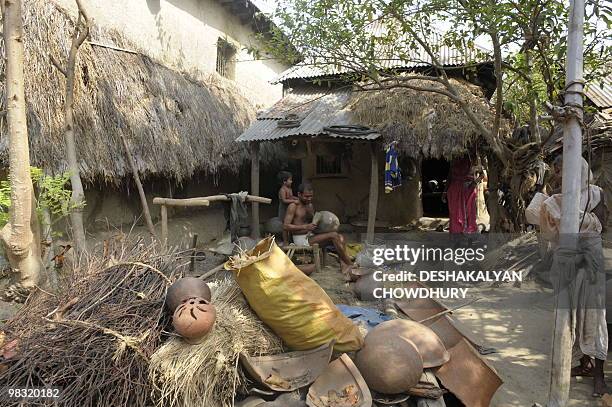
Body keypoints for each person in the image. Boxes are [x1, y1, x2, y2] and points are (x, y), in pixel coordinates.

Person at [540, 157, 608, 397]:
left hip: (590, 261)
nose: (558, 176)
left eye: (562, 171)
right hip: (567, 261)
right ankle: (580, 363)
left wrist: (575, 223)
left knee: (593, 315)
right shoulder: (556, 200)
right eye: (558, 171)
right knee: (567, 316)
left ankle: (599, 375)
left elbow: (602, 225)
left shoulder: (596, 194)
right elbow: (551, 234)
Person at [283, 183, 354, 278]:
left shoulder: (310, 206)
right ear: (299, 194)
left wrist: (319, 223)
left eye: (311, 196)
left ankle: (343, 265)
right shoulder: (293, 206)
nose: (309, 199)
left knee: (339, 236)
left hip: (311, 236)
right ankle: (349, 264)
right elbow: (286, 226)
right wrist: (305, 227)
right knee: (333, 235)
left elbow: (313, 222)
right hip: (300, 240)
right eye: (306, 196)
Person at [443, 154, 483, 234]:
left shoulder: (472, 158)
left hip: (468, 191)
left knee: (469, 213)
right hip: (454, 191)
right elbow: (450, 176)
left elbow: (482, 175)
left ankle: (469, 235)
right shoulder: (454, 159)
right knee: (455, 215)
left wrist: (474, 183)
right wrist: (444, 191)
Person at [278, 171, 299, 245]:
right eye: (290, 180)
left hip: (289, 210)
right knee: (285, 226)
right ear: (284, 181)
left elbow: (291, 196)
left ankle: (290, 240)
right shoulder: (282, 190)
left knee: (290, 225)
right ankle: (285, 241)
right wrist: (294, 201)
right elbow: (284, 200)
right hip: (284, 210)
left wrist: (297, 198)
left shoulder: (289, 189)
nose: (291, 181)